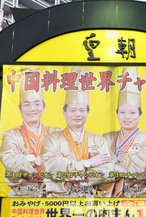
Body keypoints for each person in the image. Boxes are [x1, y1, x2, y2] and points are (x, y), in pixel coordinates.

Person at [41, 66, 113, 197]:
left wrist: (66, 165)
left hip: (90, 200)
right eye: (73, 110)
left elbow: (106, 172)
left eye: (82, 110)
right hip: (58, 201)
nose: (77, 114)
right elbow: (51, 168)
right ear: (64, 112)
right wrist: (88, 163)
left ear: (87, 112)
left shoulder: (98, 140)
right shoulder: (52, 139)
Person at [0, 67, 61, 197]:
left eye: (37, 104)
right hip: (21, 196)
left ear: (43, 106)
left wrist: (25, 157)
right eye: (26, 104)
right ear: (20, 108)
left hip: (54, 196)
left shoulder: (57, 132)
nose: (32, 109)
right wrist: (44, 159)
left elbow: (68, 161)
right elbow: (9, 161)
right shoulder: (10, 135)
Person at [103, 66, 146, 197]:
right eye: (122, 112)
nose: (127, 117)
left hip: (139, 196)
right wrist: (133, 157)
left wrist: (111, 161)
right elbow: (95, 168)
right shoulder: (106, 137)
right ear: (117, 113)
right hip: (107, 197)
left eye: (132, 112)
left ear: (140, 114)